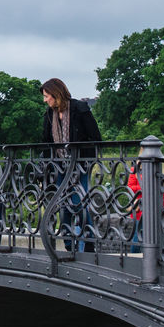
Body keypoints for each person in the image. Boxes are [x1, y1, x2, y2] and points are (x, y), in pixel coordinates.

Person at [40, 78, 102, 253]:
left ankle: (88, 242)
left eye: (47, 96)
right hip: (61, 166)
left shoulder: (79, 109)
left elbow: (95, 137)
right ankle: (69, 243)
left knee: (77, 202)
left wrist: (83, 157)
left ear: (56, 93)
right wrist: (47, 166)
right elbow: (46, 142)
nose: (45, 100)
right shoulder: (49, 114)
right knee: (63, 202)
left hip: (80, 164)